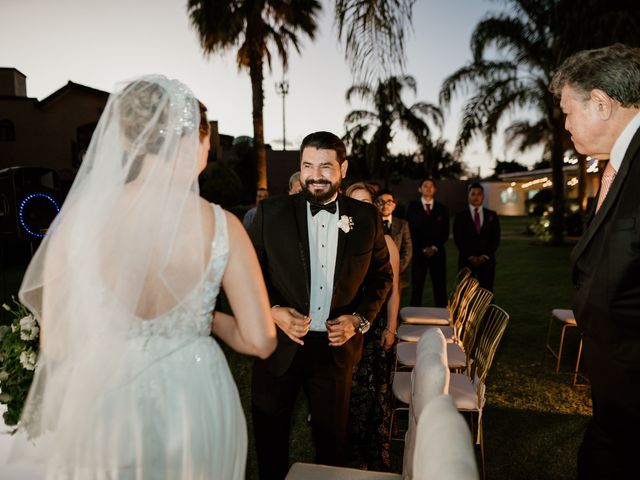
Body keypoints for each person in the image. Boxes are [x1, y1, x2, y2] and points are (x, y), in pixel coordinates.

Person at [11, 76, 276, 479]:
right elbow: (260, 341)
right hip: (195, 400)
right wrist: (211, 321)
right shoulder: (223, 226)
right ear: (192, 140)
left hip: (106, 402)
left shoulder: (76, 224)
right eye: (207, 140)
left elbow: (58, 346)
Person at [248, 132, 393, 480]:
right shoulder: (271, 213)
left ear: (342, 168)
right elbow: (246, 271)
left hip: (334, 350)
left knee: (332, 446)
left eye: (325, 166)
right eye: (308, 166)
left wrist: (358, 319)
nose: (315, 175)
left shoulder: (366, 219)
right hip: (277, 345)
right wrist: (271, 311)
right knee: (270, 442)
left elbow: (382, 277)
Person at [550, 44, 640, 479]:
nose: (564, 125)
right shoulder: (618, 167)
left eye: (568, 111)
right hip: (616, 393)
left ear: (602, 103)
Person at [344, 182, 400, 470]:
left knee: (371, 393)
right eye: (355, 202)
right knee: (347, 393)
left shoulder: (387, 242)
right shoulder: (339, 240)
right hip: (344, 329)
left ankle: (372, 455)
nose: (362, 208)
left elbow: (392, 292)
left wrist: (391, 328)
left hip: (375, 328)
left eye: (367, 203)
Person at [406, 178, 449, 307]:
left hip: (438, 253)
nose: (428, 188)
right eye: (425, 185)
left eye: (431, 186)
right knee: (417, 288)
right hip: (419, 254)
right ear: (420, 189)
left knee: (440, 287)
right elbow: (410, 231)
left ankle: (443, 318)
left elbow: (445, 232)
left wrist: (434, 247)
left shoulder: (442, 208)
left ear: (435, 189)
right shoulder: (412, 207)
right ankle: (413, 320)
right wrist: (423, 248)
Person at [453, 182, 500, 291]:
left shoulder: (492, 215)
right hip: (466, 261)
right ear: (468, 196)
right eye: (473, 194)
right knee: (464, 294)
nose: (476, 196)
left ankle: (486, 309)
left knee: (487, 293)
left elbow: (495, 238)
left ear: (483, 196)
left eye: (479, 194)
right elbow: (458, 238)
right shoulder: (460, 216)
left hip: (487, 262)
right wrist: (470, 256)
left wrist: (484, 256)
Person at [376, 188, 412, 290]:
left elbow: (407, 249)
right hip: (376, 274)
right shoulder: (373, 223)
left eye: (389, 202)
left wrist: (397, 268)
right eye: (381, 202)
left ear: (394, 205)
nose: (385, 205)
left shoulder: (402, 224)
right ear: (376, 204)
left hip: (398, 274)